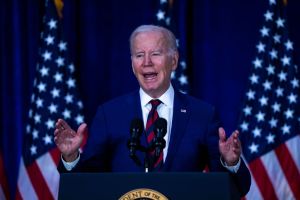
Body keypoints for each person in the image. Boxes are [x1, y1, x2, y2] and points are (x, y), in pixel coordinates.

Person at [54, 24, 251, 196]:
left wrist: (231, 163)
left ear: (173, 61)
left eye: (155, 53)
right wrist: (71, 157)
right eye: (139, 55)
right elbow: (86, 185)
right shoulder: (109, 114)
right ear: (132, 65)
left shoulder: (203, 115)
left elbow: (236, 188)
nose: (147, 62)